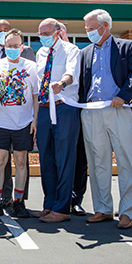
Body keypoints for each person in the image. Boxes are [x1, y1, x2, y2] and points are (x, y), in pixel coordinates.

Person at [78, 9, 132, 229]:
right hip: (92, 111)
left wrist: (124, 95)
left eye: (91, 28)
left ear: (105, 26)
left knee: (126, 160)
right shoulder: (85, 52)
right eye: (86, 29)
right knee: (98, 162)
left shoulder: (126, 47)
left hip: (118, 109)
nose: (88, 32)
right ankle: (103, 208)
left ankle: (127, 212)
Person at [0, 29, 38, 219]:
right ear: (3, 47)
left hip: (23, 123)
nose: (13, 49)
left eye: (16, 46)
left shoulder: (31, 67)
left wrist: (35, 121)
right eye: (9, 46)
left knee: (21, 162)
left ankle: (19, 202)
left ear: (22, 47)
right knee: (0, 162)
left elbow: (35, 96)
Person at [34, 18, 80, 223]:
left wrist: (61, 83)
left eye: (46, 33)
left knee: (64, 159)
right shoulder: (40, 53)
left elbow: (71, 74)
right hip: (44, 109)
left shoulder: (71, 50)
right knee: (46, 158)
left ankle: (62, 208)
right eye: (39, 34)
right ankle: (49, 203)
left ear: (57, 32)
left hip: (64, 107)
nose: (42, 37)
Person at [59, 22, 88, 217]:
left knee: (79, 157)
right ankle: (59, 197)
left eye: (61, 32)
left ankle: (76, 199)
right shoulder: (45, 55)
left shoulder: (78, 53)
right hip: (56, 112)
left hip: (77, 112)